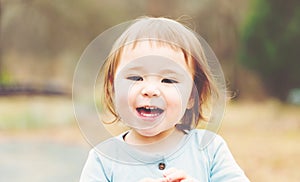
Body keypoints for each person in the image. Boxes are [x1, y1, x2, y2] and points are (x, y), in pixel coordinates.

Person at [79, 17, 250, 182]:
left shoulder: (210, 150)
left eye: (168, 80)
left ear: (192, 96)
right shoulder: (103, 159)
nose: (150, 91)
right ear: (113, 88)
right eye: (135, 78)